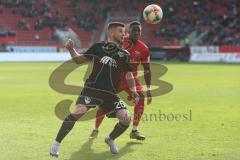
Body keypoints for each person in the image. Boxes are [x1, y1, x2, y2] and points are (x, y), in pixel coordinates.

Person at [50, 22, 139, 156]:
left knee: (126, 118)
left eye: (125, 32)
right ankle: (56, 143)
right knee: (78, 111)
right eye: (121, 31)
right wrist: (70, 49)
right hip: (92, 89)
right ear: (111, 33)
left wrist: (134, 90)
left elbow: (129, 74)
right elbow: (79, 60)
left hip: (110, 94)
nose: (124, 34)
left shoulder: (124, 54)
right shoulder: (98, 47)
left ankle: (110, 139)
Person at [89, 21, 152, 140]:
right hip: (115, 78)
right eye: (134, 30)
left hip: (131, 79)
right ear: (129, 32)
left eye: (139, 31)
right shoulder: (121, 41)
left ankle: (134, 130)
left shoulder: (144, 49)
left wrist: (148, 89)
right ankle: (96, 129)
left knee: (140, 98)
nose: (137, 33)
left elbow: (147, 70)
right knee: (104, 105)